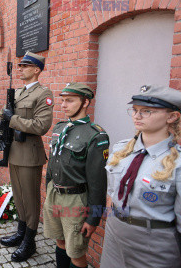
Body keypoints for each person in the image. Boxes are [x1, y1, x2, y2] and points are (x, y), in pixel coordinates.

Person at [100, 85, 181, 268]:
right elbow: (111, 193)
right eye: (135, 110)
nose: (137, 116)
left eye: (147, 111)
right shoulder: (121, 149)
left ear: (172, 116)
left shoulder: (177, 163)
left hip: (154, 245)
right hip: (115, 234)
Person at [0, 52, 54, 262]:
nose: (20, 69)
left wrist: (14, 119)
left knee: (30, 198)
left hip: (30, 154)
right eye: (19, 66)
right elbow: (1, 116)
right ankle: (20, 232)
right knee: (18, 196)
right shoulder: (17, 93)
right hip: (14, 152)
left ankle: (30, 241)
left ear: (37, 69)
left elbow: (41, 126)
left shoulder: (43, 93)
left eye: (25, 66)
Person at [43, 83, 109, 268]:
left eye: (69, 101)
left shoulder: (95, 135)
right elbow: (51, 164)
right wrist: (49, 191)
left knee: (77, 253)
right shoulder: (59, 128)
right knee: (60, 241)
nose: (63, 105)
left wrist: (93, 218)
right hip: (54, 194)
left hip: (76, 200)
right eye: (62, 100)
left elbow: (98, 183)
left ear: (85, 102)